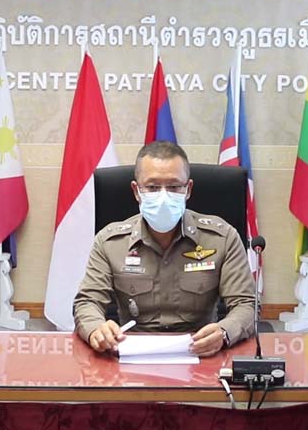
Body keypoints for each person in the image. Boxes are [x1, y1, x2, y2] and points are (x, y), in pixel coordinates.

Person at [73, 141, 255, 357]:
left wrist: (224, 332)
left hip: (202, 351)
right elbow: (88, 301)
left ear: (188, 190)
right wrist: (96, 329)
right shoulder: (109, 241)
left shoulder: (222, 237)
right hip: (132, 351)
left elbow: (246, 304)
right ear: (136, 191)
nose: (163, 196)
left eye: (174, 186)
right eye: (152, 187)